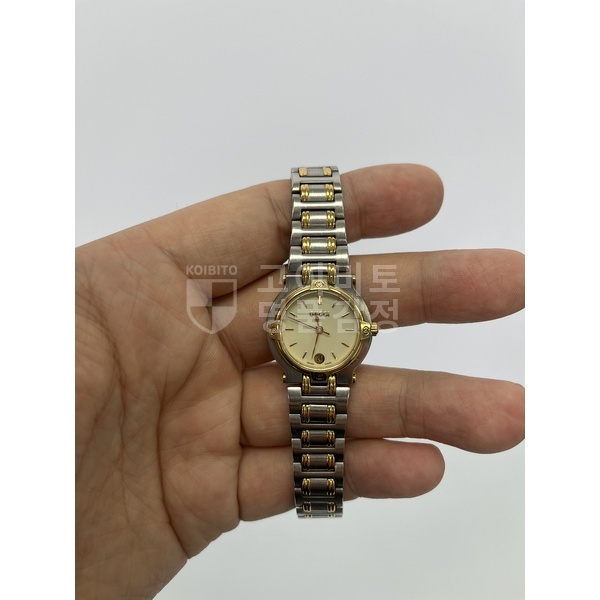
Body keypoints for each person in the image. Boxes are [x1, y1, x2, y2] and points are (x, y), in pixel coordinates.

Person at [75, 164, 524, 598]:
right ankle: (317, 498)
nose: (321, 329)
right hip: (305, 372)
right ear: (277, 327)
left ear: (365, 328)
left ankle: (318, 498)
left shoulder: (328, 320)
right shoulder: (298, 323)